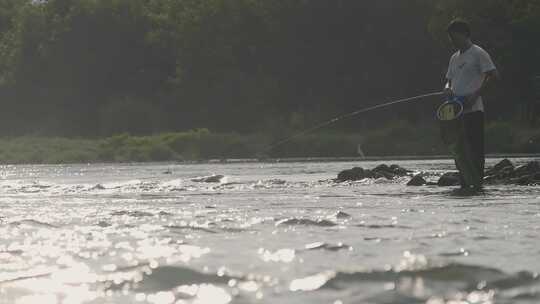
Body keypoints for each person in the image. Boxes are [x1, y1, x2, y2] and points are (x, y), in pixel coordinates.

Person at [443, 19, 499, 189]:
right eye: (450, 38)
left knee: (474, 149)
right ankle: (465, 184)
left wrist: (476, 94)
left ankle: (477, 184)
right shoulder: (454, 57)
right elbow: (448, 81)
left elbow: (494, 75)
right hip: (455, 111)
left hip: (474, 110)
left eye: (454, 37)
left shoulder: (478, 53)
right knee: (459, 151)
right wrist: (447, 88)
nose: (452, 41)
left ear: (465, 34)